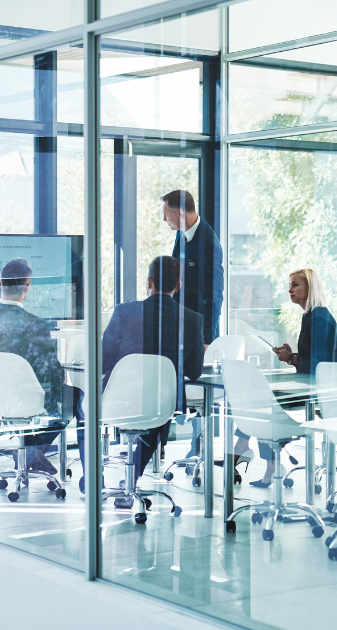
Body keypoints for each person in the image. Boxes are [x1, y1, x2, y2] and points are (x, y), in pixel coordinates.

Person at [76, 256, 204, 506]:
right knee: (157, 415)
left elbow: (103, 361)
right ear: (178, 286)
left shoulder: (125, 312)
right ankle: (132, 478)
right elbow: (195, 372)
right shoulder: (192, 319)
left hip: (118, 401)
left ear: (149, 282)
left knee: (82, 408)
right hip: (162, 407)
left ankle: (93, 474)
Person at [0, 258, 68, 476]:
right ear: (28, 287)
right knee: (74, 397)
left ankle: (30, 452)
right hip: (27, 399)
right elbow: (52, 373)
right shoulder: (36, 324)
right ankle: (33, 450)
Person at [241, 268, 337, 487]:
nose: (290, 290)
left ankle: (255, 453)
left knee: (264, 400)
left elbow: (320, 365)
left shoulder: (320, 318)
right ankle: (260, 454)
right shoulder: (311, 316)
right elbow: (312, 357)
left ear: (310, 288)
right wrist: (291, 355)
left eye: (296, 285)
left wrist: (292, 357)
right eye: (290, 285)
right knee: (262, 397)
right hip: (311, 386)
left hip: (322, 392)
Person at [162, 190, 224, 460]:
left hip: (201, 331)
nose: (165, 220)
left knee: (199, 388)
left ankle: (199, 448)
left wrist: (207, 337)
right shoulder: (182, 235)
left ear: (180, 213)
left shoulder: (208, 242)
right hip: (182, 325)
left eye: (166, 215)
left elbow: (215, 293)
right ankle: (173, 442)